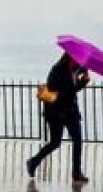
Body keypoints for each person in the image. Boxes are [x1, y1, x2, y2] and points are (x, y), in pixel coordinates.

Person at [26, 52, 90, 182]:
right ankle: (33, 162)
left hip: (71, 111)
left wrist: (84, 76)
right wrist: (80, 84)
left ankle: (76, 172)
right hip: (56, 112)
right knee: (55, 142)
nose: (78, 63)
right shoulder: (57, 71)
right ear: (69, 58)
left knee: (77, 139)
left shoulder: (77, 69)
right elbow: (61, 94)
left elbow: (72, 89)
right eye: (76, 59)